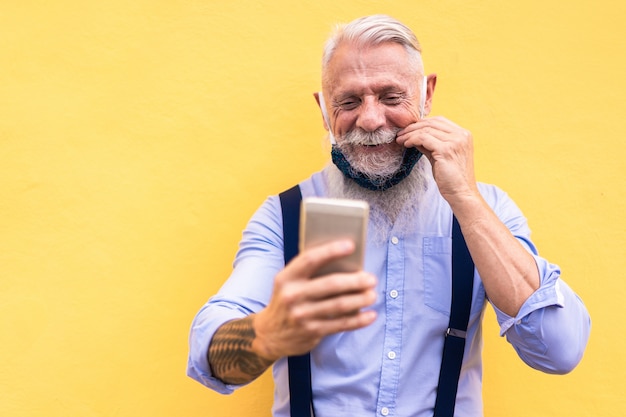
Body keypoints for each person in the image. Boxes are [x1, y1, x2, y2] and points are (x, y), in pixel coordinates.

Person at [187, 14, 591, 417]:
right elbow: (210, 353)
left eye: (391, 97)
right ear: (324, 110)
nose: (370, 119)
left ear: (426, 94)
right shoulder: (285, 217)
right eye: (348, 101)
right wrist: (268, 332)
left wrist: (465, 200)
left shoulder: (488, 209)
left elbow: (559, 350)